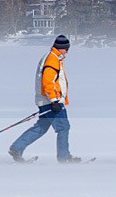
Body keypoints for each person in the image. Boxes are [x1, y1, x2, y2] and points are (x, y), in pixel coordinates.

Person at [8, 35, 81, 163]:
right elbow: (48, 81)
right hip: (51, 102)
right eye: (67, 49)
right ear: (62, 48)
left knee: (41, 127)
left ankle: (17, 148)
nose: (68, 52)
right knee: (63, 127)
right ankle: (64, 158)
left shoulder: (53, 58)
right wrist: (54, 100)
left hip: (45, 100)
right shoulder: (52, 60)